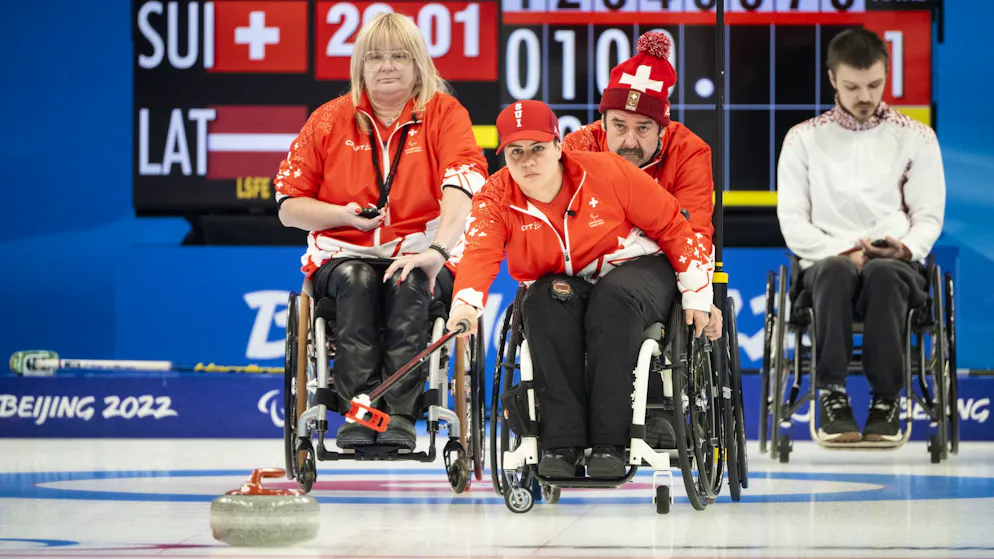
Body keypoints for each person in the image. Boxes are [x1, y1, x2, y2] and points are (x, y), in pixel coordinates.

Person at [446, 100, 713, 478]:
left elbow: (674, 226)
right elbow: (479, 254)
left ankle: (611, 442)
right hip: (568, 280)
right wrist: (465, 306)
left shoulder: (607, 172)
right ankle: (562, 443)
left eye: (538, 148)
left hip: (635, 265)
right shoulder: (495, 198)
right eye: (515, 151)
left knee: (613, 301)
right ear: (503, 155)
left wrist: (698, 295)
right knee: (541, 301)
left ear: (558, 146)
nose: (528, 161)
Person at [274, 13, 487, 450]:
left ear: (419, 64)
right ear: (359, 66)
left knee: (408, 279)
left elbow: (463, 184)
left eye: (398, 56)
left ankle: (400, 416)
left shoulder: (445, 114)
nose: (386, 66)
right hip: (342, 255)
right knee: (357, 280)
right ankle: (361, 410)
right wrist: (344, 216)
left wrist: (438, 250)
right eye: (375, 57)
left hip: (421, 252)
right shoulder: (329, 119)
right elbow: (289, 208)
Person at [777, 28, 946, 442]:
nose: (864, 96)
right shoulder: (803, 139)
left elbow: (928, 215)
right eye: (852, 86)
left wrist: (905, 248)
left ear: (886, 75)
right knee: (835, 270)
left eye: (874, 84)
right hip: (824, 263)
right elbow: (793, 222)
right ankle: (832, 394)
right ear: (833, 79)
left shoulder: (916, 136)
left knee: (885, 274)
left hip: (895, 264)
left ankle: (886, 401)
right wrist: (845, 252)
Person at [562, 31, 721, 449]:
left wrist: (701, 298)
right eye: (619, 126)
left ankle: (648, 403)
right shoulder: (578, 145)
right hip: (587, 261)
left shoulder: (690, 152)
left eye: (643, 128)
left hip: (657, 269)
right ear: (603, 122)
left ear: (662, 128)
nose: (629, 141)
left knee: (618, 296)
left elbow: (695, 233)